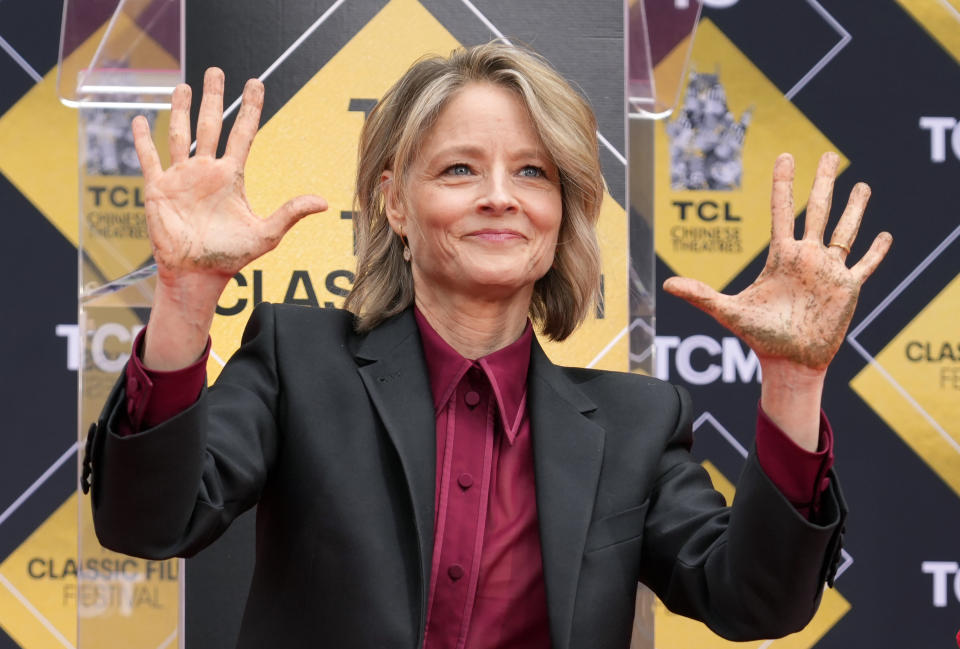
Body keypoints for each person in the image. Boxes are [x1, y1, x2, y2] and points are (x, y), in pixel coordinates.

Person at [82, 42, 892, 649]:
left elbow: (755, 600)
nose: (501, 198)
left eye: (534, 172)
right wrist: (185, 297)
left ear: (564, 211)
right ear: (395, 203)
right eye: (461, 169)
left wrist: (791, 381)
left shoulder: (638, 421)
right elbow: (147, 523)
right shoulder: (302, 359)